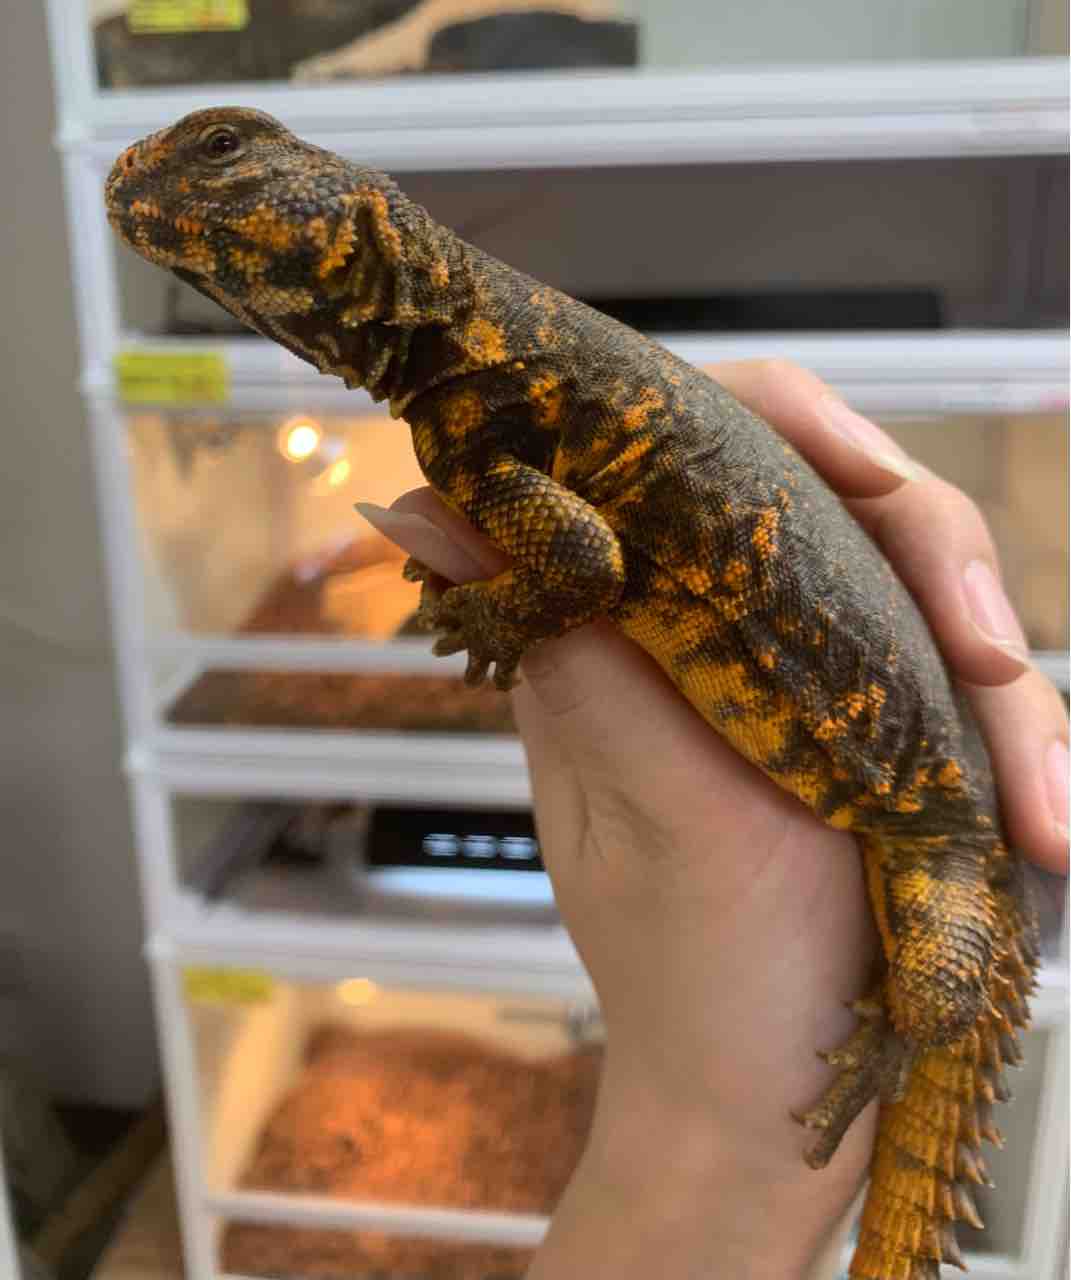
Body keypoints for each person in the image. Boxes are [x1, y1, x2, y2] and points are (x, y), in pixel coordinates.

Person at [359, 359, 1069, 1279]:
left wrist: (772, 1128)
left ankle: (900, 1037)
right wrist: (736, 1153)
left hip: (940, 850)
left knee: (933, 995)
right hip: (891, 813)